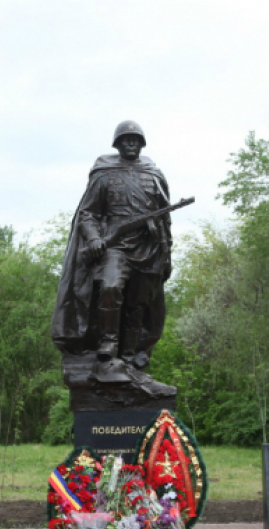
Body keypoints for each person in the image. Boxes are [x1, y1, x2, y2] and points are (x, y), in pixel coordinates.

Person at [51, 120, 172, 384]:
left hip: (148, 247)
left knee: (139, 304)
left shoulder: (154, 174)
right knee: (109, 286)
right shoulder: (104, 174)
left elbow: (165, 220)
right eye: (126, 139)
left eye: (135, 139)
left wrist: (167, 255)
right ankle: (107, 346)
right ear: (117, 144)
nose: (131, 143)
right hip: (115, 245)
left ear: (142, 143)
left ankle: (129, 359)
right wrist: (94, 238)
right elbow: (88, 213)